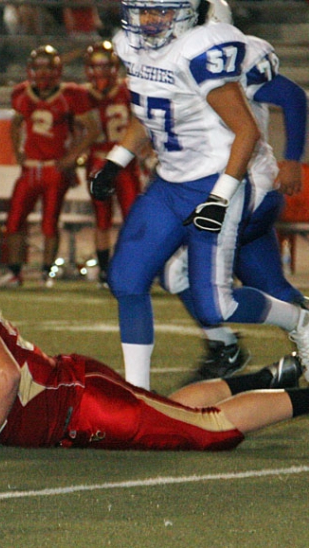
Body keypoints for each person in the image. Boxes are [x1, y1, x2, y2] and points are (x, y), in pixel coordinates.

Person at [0, 230, 308, 453]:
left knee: (208, 430)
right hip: (67, 407)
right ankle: (265, 377)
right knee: (178, 410)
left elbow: (5, 375)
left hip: (78, 405)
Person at [88, 0, 309, 390]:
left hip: (217, 181)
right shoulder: (132, 47)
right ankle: (138, 393)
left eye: (162, 11)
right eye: (145, 10)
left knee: (217, 303)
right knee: (126, 279)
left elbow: (249, 130)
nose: (151, 20)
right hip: (170, 181)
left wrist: (220, 197)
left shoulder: (202, 52)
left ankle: (299, 321)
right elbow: (153, 115)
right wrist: (115, 162)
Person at [152, 0, 308, 382]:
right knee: (272, 288)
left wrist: (291, 159)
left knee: (175, 271)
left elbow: (292, 97)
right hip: (240, 191)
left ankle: (224, 347)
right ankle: (284, 328)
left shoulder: (229, 58)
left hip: (243, 191)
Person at [0, 45, 101, 288]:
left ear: (57, 69)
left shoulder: (69, 94)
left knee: (49, 222)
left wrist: (71, 157)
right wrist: (17, 148)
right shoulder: (22, 93)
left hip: (54, 168)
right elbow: (16, 123)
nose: (42, 73)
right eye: (38, 67)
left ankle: (45, 272)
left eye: (47, 67)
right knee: (14, 221)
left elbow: (91, 129)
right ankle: (14, 272)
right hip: (30, 167)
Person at [81, 40, 142, 288]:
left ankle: (131, 267)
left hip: (124, 159)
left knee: (132, 217)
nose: (102, 72)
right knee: (102, 219)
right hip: (98, 159)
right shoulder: (81, 94)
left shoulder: (128, 90)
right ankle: (106, 271)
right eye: (97, 66)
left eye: (106, 66)